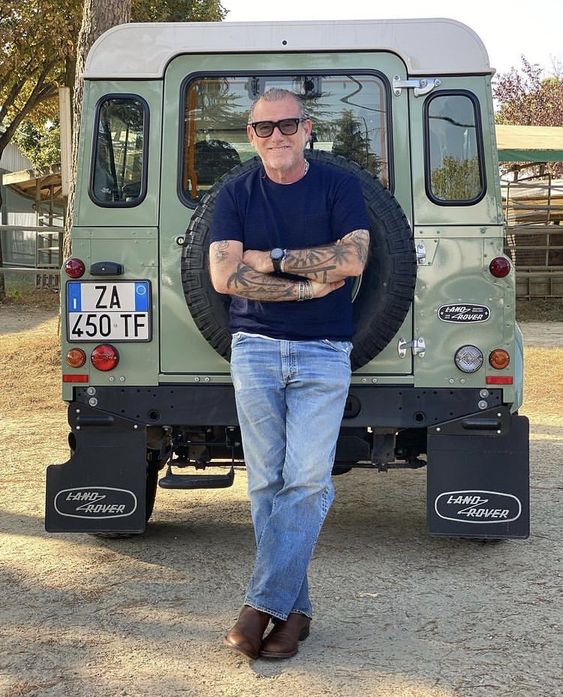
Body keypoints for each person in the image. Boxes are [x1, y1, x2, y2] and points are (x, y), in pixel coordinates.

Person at [209, 88, 370, 660]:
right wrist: (302, 281)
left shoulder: (338, 186)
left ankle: (259, 607)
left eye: (286, 125)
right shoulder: (234, 192)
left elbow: (351, 260)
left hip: (325, 350)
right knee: (265, 485)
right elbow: (226, 277)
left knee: (305, 480)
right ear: (250, 137)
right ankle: (294, 614)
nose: (274, 136)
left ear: (306, 129)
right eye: (262, 128)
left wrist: (266, 257)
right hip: (253, 347)